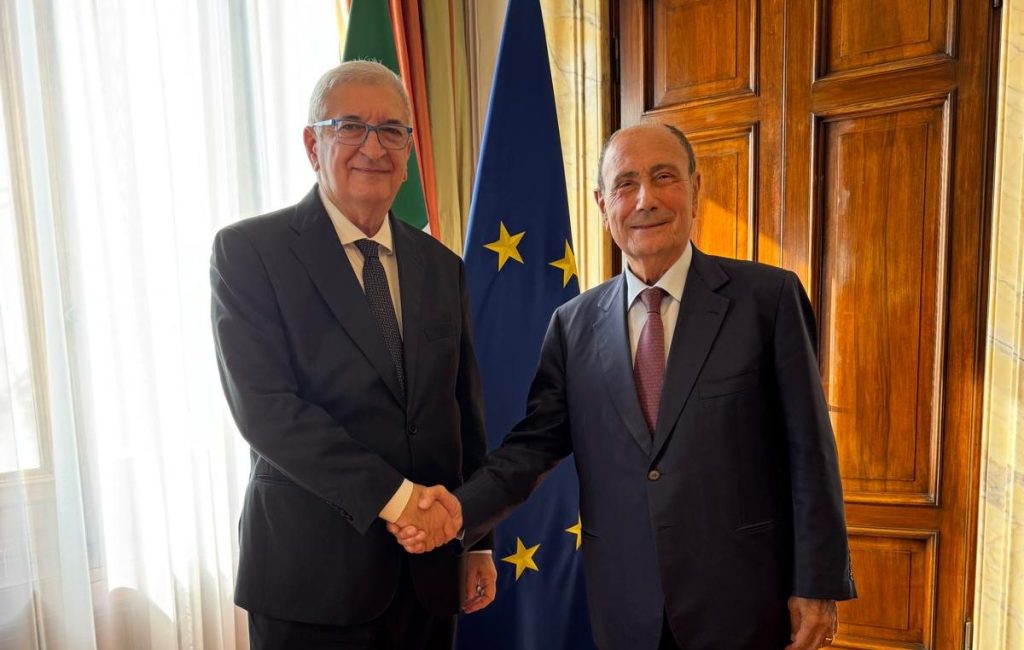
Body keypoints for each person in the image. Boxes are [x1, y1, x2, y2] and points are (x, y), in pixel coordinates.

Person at [393, 123, 856, 649]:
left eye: (664, 177)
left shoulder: (768, 300)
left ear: (695, 188)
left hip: (745, 603)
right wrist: (458, 512)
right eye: (626, 184)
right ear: (602, 203)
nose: (645, 199)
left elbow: (809, 451)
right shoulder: (572, 325)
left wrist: (817, 583)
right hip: (625, 608)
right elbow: (531, 449)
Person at [210, 60, 495, 650]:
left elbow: (462, 413)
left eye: (391, 130)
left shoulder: (442, 266)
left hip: (429, 574)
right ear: (312, 145)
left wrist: (475, 538)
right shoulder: (249, 252)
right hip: (310, 581)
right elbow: (266, 411)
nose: (374, 147)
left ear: (409, 150)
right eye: (350, 127)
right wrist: (400, 501)